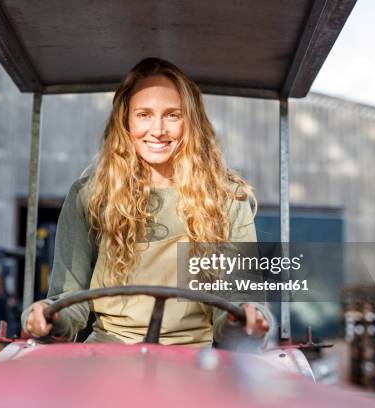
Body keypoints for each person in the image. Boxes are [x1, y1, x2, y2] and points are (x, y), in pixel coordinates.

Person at [22, 57, 274, 348]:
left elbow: (237, 300)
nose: (158, 130)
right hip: (107, 349)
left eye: (172, 115)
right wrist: (48, 316)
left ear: (190, 121)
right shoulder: (90, 195)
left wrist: (242, 318)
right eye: (144, 115)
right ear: (125, 120)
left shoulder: (226, 197)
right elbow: (69, 299)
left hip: (196, 356)